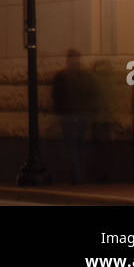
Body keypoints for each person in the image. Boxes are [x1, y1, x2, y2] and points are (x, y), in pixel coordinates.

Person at [52, 48, 97, 184]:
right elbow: (91, 95)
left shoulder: (61, 76)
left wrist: (59, 112)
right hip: (82, 115)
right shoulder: (86, 76)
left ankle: (77, 178)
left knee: (72, 148)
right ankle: (81, 176)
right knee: (80, 147)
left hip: (69, 115)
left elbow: (56, 96)